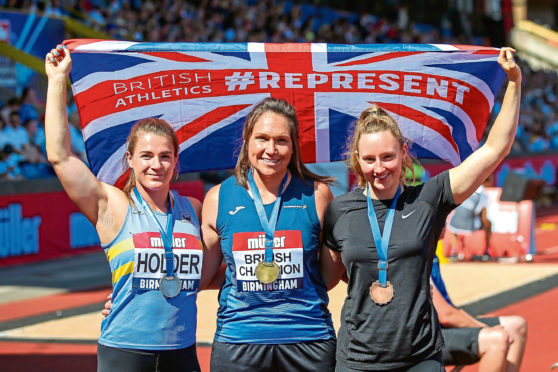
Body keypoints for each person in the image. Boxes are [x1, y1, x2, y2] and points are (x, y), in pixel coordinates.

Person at [320, 47, 521, 371]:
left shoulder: (430, 198)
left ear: (403, 153)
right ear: (356, 159)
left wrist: (513, 83)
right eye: (369, 159)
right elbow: (327, 280)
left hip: (420, 358)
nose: (378, 168)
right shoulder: (339, 211)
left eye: (388, 157)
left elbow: (495, 149)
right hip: (357, 360)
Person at [45, 44, 204, 372]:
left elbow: (215, 269)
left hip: (183, 350)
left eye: (165, 156)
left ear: (176, 163)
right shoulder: (112, 204)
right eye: (146, 156)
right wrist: (57, 80)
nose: (156, 165)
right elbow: (60, 156)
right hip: (125, 351)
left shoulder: (194, 209)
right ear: (129, 160)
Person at [201, 97, 337, 372]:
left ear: (294, 145)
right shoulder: (218, 198)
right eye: (262, 138)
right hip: (239, 343)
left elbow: (330, 275)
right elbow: (200, 276)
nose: (271, 149)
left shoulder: (318, 196)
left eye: (281, 140)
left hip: (308, 340)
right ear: (247, 140)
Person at [431, 256, 527, 372]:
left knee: (517, 325)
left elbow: (451, 309)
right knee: (497, 339)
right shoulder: (420, 257)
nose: (447, 236)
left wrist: (474, 322)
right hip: (428, 337)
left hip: (443, 328)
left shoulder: (433, 254)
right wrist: (484, 328)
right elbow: (446, 315)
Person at [446, 175, 493, 261]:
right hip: (470, 226)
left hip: (454, 223)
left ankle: (454, 252)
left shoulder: (464, 188)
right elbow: (483, 218)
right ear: (485, 182)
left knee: (454, 222)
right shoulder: (483, 196)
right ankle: (486, 252)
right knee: (489, 224)